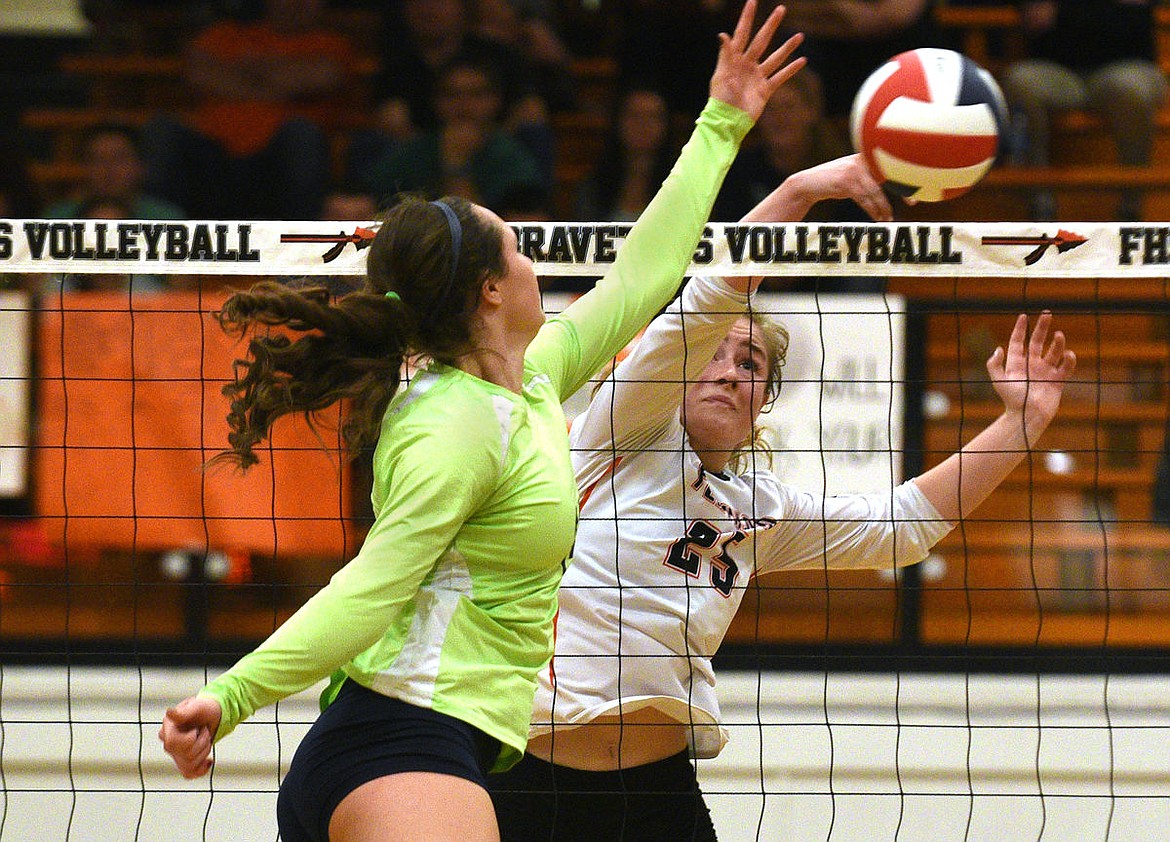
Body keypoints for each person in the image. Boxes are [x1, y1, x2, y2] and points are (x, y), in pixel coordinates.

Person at [158, 6, 806, 842]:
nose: (536, 259)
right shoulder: (454, 426)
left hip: (453, 746)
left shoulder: (529, 381)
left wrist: (722, 122)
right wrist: (232, 695)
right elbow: (370, 587)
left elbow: (644, 275)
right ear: (491, 291)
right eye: (517, 248)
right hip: (399, 740)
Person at [486, 169, 1078, 840]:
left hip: (656, 793)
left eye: (753, 363)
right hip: (534, 784)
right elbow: (710, 296)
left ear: (762, 402)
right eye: (717, 352)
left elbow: (903, 528)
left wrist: (1021, 425)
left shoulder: (760, 511)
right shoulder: (620, 434)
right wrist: (797, 194)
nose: (732, 369)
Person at [141, 0, 357, 219]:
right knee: (162, 128)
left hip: (276, 163)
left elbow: (323, 77)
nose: (296, 4)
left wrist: (240, 74)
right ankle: (161, 233)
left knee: (301, 134)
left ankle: (300, 238)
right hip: (211, 159)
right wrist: (281, 80)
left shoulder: (331, 44)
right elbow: (198, 73)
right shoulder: (226, 35)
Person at [1000, 0, 1168, 221]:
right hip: (1058, 69)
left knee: (1129, 89)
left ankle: (1131, 206)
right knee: (1020, 81)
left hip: (1129, 63)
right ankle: (1040, 206)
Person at [363, 54, 550, 213]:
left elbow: (498, 232)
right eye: (451, 94)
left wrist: (456, 164)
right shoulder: (416, 149)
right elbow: (373, 200)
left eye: (476, 94)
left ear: (496, 99)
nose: (463, 105)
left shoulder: (511, 155)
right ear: (435, 101)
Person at [574, 85, 678, 223]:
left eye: (652, 117)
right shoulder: (593, 188)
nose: (643, 125)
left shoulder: (680, 188)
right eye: (635, 115)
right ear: (619, 121)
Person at [45, 122, 185, 220]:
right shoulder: (57, 218)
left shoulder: (167, 220)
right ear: (85, 166)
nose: (108, 169)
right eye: (97, 159)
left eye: (119, 159)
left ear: (140, 166)